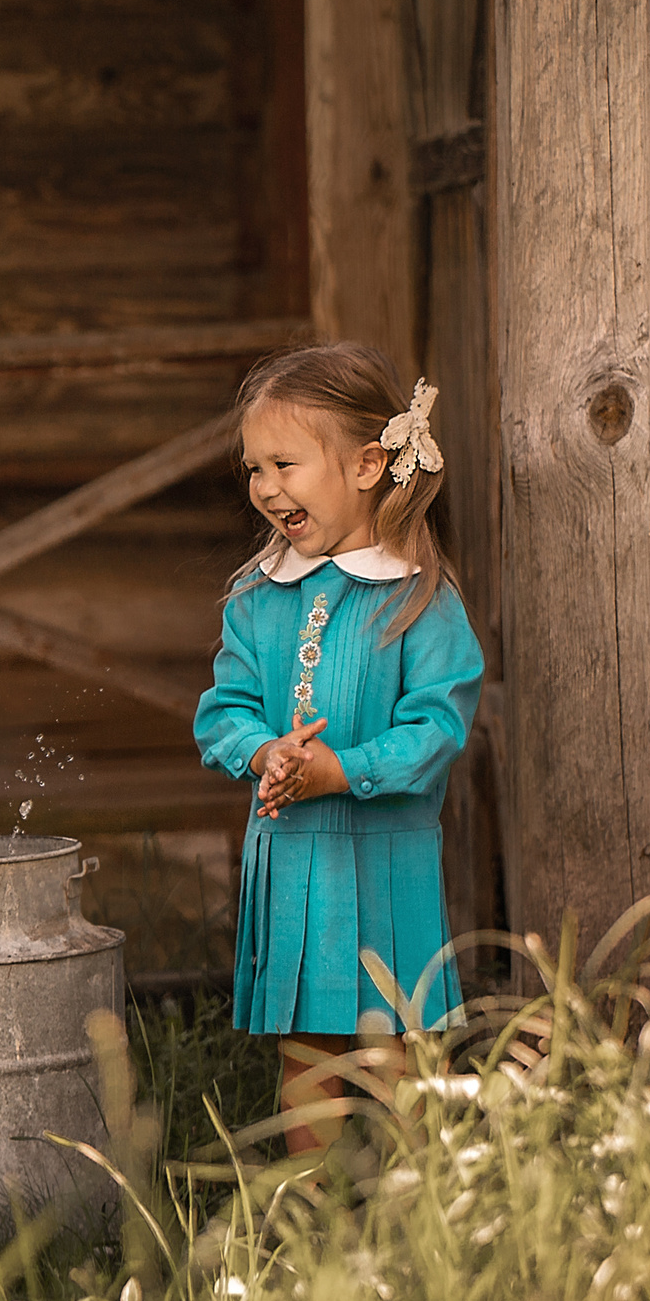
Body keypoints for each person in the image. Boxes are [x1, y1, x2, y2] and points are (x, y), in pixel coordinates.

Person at [191, 343, 483, 1154]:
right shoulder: (256, 596)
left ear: (364, 466)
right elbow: (225, 709)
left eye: (284, 462)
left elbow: (439, 724)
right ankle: (311, 1222)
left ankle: (417, 1216)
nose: (264, 486)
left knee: (397, 1053)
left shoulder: (417, 595)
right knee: (308, 1052)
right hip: (293, 863)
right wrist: (264, 755)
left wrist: (343, 770)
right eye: (253, 468)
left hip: (385, 863)